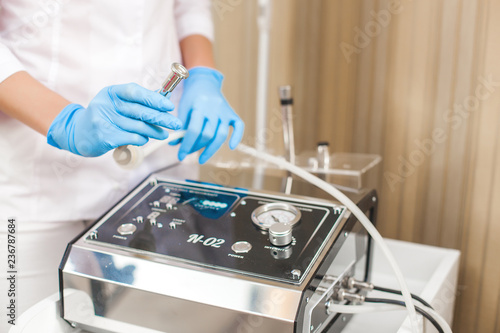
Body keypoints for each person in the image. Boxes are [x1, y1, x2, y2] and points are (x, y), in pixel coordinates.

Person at [0, 1, 244, 330]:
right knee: (25, 322)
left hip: (154, 168)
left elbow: (189, 6)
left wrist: (203, 74)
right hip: (36, 179)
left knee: (152, 323)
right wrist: (65, 122)